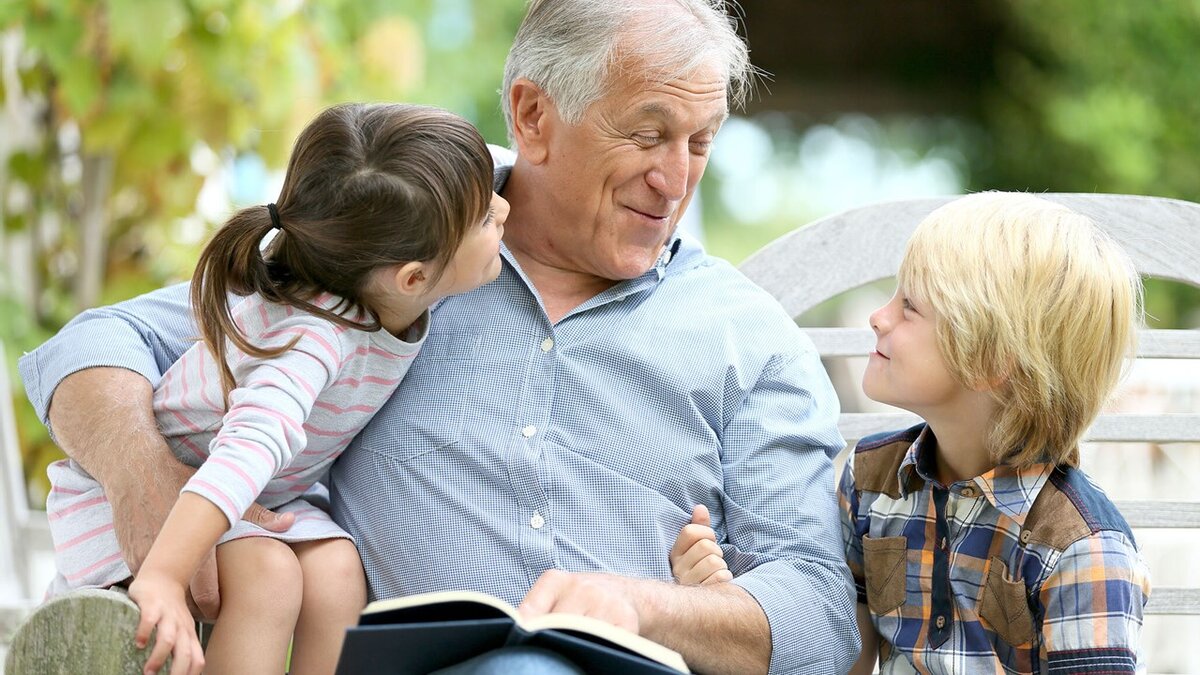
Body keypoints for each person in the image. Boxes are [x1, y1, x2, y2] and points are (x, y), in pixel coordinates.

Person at [19, 1, 858, 672]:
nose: (674, 178)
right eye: (646, 134)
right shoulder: (396, 253)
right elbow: (88, 346)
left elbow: (819, 613)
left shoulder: (746, 335)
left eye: (699, 143)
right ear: (533, 115)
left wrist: (645, 607)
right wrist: (147, 478)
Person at [41, 102, 508, 675]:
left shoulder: (379, 293)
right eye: (485, 216)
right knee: (269, 578)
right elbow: (244, 451)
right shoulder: (310, 342)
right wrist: (162, 575)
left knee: (338, 573)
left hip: (261, 500)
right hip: (152, 504)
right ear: (412, 278)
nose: (506, 208)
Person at [673, 192, 1152, 673]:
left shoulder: (1080, 548)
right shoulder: (872, 482)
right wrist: (719, 605)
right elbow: (845, 663)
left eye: (909, 307)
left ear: (990, 360)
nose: (878, 317)